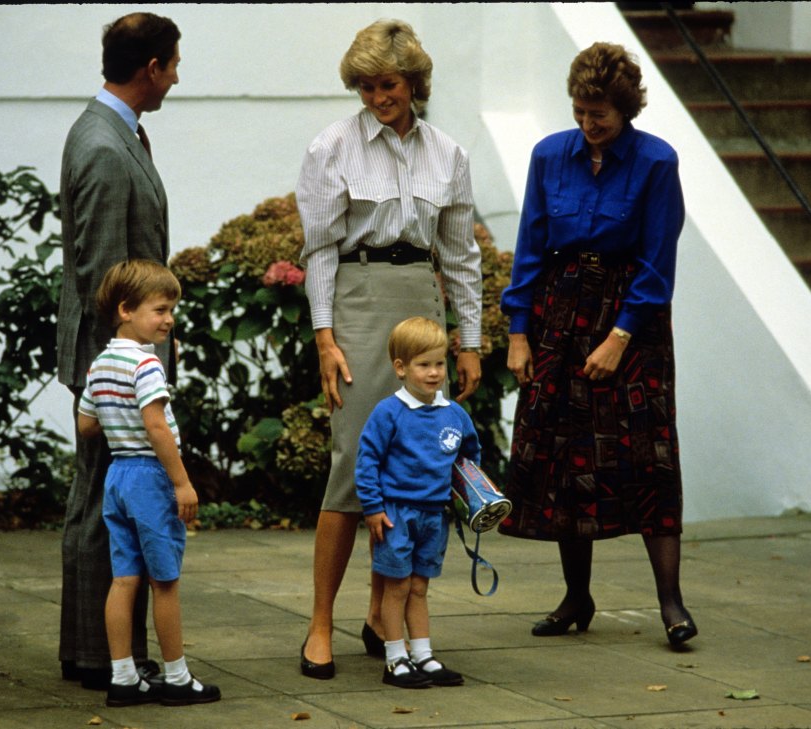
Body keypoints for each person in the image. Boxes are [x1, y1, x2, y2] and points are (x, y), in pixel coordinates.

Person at [295, 18, 484, 679]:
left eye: (391, 85)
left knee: (416, 460)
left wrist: (470, 341)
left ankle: (383, 616)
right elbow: (319, 247)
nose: (380, 97)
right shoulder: (332, 147)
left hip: (419, 295)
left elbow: (460, 254)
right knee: (353, 461)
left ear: (415, 83)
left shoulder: (448, 154)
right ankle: (320, 623)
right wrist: (324, 336)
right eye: (369, 86)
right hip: (357, 295)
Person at [498, 42, 696, 648]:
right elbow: (530, 244)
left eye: (600, 114)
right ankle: (575, 597)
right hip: (559, 311)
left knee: (648, 455)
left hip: (631, 315)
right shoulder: (549, 154)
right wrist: (518, 332)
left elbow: (658, 262)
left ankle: (670, 601)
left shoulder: (657, 161)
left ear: (626, 108)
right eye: (581, 112)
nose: (589, 124)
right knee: (565, 454)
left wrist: (620, 337)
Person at [56, 11, 181, 689]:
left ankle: (100, 652)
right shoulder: (105, 146)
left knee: (103, 500)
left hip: (115, 358)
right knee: (108, 504)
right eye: (173, 64)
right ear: (151, 68)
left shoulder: (108, 130)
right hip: (114, 360)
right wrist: (120, 374)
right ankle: (102, 656)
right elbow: (105, 278)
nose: (176, 77)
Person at [77, 259, 220, 707]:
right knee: (165, 581)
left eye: (170, 309)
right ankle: (177, 678)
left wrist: (115, 417)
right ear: (126, 309)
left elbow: (85, 425)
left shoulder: (100, 364)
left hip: (117, 476)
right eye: (159, 310)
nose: (169, 318)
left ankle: (123, 678)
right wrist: (182, 483)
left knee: (124, 580)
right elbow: (156, 425)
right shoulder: (146, 363)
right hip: (151, 477)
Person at [356, 317, 479, 688]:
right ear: (401, 367)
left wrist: (471, 496)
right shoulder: (388, 413)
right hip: (395, 514)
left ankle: (423, 655)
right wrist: (373, 508)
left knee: (420, 588)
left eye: (439, 363)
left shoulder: (454, 413)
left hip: (434, 515)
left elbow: (469, 457)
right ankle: (396, 659)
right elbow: (367, 462)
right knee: (396, 587)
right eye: (423, 365)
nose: (433, 372)